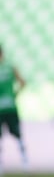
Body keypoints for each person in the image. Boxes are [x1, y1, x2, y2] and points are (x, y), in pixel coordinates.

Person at [0, 45, 28, 174]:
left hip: (7, 109)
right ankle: (25, 163)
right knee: (18, 136)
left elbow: (23, 82)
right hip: (10, 107)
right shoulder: (10, 67)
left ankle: (24, 163)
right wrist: (14, 94)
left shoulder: (10, 67)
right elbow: (23, 83)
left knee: (17, 135)